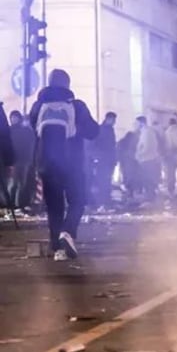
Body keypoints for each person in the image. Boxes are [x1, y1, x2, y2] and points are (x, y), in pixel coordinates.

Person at [27, 69, 100, 260]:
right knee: (78, 200)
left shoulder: (38, 106)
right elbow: (93, 132)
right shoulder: (76, 106)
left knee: (54, 207)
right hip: (72, 163)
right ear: (68, 84)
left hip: (46, 163)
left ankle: (58, 248)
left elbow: (32, 129)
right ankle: (67, 232)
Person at [87, 111, 117, 209]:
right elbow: (94, 145)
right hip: (103, 160)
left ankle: (105, 201)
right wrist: (96, 157)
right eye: (113, 120)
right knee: (102, 180)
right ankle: (102, 201)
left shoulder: (109, 130)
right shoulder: (101, 130)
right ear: (109, 119)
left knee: (106, 180)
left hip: (108, 160)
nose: (114, 122)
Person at [9, 111, 36, 210]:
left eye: (15, 117)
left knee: (21, 183)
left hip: (23, 160)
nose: (13, 120)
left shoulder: (25, 131)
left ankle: (17, 204)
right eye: (12, 118)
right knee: (14, 183)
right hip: (14, 160)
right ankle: (12, 204)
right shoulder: (10, 130)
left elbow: (31, 145)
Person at [133, 116, 162, 197]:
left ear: (141, 123)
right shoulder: (147, 131)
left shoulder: (147, 132)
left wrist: (138, 155)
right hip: (148, 159)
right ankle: (150, 196)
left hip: (147, 159)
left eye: (137, 123)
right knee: (148, 179)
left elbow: (147, 147)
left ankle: (150, 197)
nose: (135, 125)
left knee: (148, 179)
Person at [161, 117, 177, 196]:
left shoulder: (167, 132)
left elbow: (167, 145)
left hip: (171, 155)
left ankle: (171, 190)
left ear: (169, 123)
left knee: (171, 173)